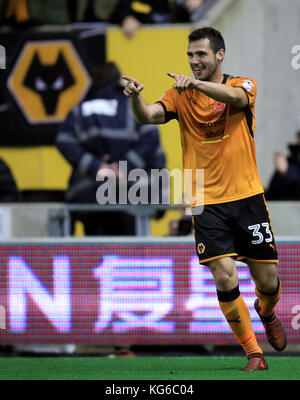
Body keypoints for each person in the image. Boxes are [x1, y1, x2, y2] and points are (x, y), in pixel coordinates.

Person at [122, 27, 287, 371]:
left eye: (201, 55)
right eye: (190, 56)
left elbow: (235, 99)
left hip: (247, 198)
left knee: (267, 282)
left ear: (219, 55)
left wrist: (195, 84)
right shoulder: (178, 95)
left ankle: (267, 311)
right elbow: (148, 116)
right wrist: (136, 97)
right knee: (225, 277)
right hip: (205, 201)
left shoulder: (244, 84)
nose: (195, 61)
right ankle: (254, 354)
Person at [56, 61, 166, 235]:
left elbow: (63, 141)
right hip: (133, 194)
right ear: (118, 80)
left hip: (90, 197)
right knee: (132, 255)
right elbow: (151, 138)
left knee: (97, 252)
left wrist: (97, 167)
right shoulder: (133, 107)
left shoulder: (80, 110)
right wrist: (124, 167)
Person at [265, 119, 300, 200]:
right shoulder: (287, 163)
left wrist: (287, 173)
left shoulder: (286, 167)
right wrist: (282, 176)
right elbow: (271, 196)